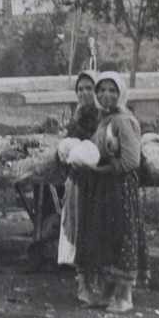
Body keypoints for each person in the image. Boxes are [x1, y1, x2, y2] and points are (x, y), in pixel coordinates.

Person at [86, 71, 144, 313]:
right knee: (107, 236)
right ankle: (108, 292)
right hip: (107, 186)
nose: (106, 94)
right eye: (101, 90)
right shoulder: (105, 119)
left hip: (120, 186)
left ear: (121, 93)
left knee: (123, 237)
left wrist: (103, 170)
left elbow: (132, 160)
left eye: (112, 90)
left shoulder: (122, 120)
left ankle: (125, 296)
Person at [55, 71, 100, 298]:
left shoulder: (99, 115)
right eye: (80, 89)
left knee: (92, 230)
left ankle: (92, 283)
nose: (84, 93)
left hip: (97, 179)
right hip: (78, 180)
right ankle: (83, 285)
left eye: (89, 88)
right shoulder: (77, 114)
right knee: (78, 228)